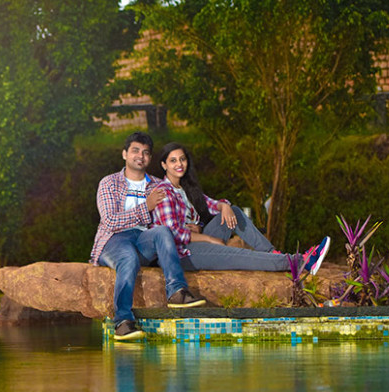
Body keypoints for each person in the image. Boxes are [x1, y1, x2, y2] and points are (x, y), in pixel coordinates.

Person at [90, 132, 208, 342]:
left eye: (145, 153)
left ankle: (177, 292)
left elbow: (178, 210)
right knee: (128, 258)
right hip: (114, 240)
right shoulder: (109, 183)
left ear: (150, 158)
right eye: (135, 150)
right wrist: (146, 207)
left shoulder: (157, 185)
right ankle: (122, 321)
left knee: (162, 231)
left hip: (144, 238)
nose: (140, 156)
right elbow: (110, 221)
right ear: (125, 154)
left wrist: (193, 224)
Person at [151, 141, 330, 275]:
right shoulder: (164, 193)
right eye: (173, 160)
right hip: (182, 254)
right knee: (237, 255)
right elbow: (173, 234)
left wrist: (225, 206)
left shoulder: (185, 188)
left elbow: (212, 204)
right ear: (164, 165)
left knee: (234, 212)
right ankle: (301, 262)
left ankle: (271, 252)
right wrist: (210, 239)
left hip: (195, 240)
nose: (179, 164)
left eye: (182, 159)